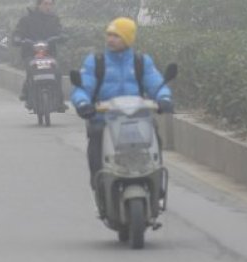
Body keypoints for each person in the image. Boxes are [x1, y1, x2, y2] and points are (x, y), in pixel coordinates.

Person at [71, 17, 173, 188]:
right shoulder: (96, 61)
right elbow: (83, 87)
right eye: (109, 35)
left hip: (137, 120)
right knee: (95, 138)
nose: (110, 39)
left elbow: (156, 84)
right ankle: (100, 186)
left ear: (128, 38)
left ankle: (157, 184)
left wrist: (165, 98)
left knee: (154, 132)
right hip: (103, 121)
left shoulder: (141, 62)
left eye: (116, 36)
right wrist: (82, 103)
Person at [12, 0, 66, 111]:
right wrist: (18, 39)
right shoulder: (26, 20)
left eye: (50, 4)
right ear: (38, 4)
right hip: (30, 54)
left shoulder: (54, 19)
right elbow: (18, 32)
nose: (48, 7)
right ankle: (26, 92)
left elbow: (60, 31)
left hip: (49, 54)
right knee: (31, 71)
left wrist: (62, 36)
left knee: (57, 73)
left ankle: (59, 101)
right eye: (45, 4)